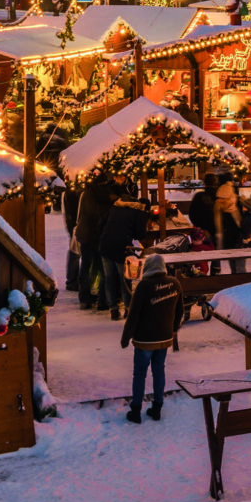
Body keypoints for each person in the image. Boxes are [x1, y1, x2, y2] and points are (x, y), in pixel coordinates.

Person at [121, 253, 184, 424]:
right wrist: (173, 329)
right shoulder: (174, 283)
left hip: (144, 340)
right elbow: (180, 310)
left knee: (140, 374)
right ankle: (157, 409)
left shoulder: (144, 286)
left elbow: (133, 315)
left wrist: (126, 337)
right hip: (163, 338)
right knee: (159, 371)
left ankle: (135, 411)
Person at [98, 175, 152, 320]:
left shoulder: (116, 205)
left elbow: (101, 223)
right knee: (125, 279)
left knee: (109, 278)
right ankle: (128, 308)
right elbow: (141, 234)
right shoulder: (139, 211)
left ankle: (113, 309)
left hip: (105, 245)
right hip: (122, 247)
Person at [75, 173, 120, 311]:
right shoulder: (110, 196)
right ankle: (103, 300)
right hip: (100, 236)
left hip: (86, 234)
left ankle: (85, 299)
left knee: (86, 267)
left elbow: (83, 213)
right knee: (102, 269)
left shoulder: (87, 194)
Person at [213, 171, 246, 274]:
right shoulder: (231, 189)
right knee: (238, 249)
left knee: (232, 250)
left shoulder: (220, 190)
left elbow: (220, 208)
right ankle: (240, 274)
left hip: (226, 223)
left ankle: (235, 273)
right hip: (233, 222)